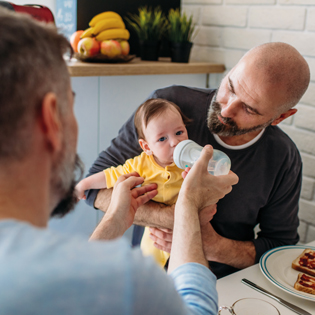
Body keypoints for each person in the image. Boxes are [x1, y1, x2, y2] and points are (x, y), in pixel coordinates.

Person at [0, 7, 239, 315]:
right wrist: (188, 205)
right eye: (71, 106)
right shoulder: (127, 283)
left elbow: (73, 279)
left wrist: (113, 223)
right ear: (50, 120)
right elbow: (195, 308)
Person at [86, 41, 310, 278]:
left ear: (280, 117)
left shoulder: (282, 157)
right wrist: (176, 219)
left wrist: (215, 247)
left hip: (222, 285)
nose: (226, 110)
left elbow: (281, 249)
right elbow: (92, 189)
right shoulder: (168, 107)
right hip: (145, 275)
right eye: (230, 87)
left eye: (249, 109)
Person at [75, 98, 193, 267]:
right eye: (162, 139)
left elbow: (208, 183)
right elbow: (112, 175)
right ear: (146, 147)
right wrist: (84, 184)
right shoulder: (141, 165)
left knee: (185, 268)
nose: (175, 142)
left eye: (179, 132)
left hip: (187, 231)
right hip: (155, 230)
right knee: (148, 263)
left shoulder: (191, 158)